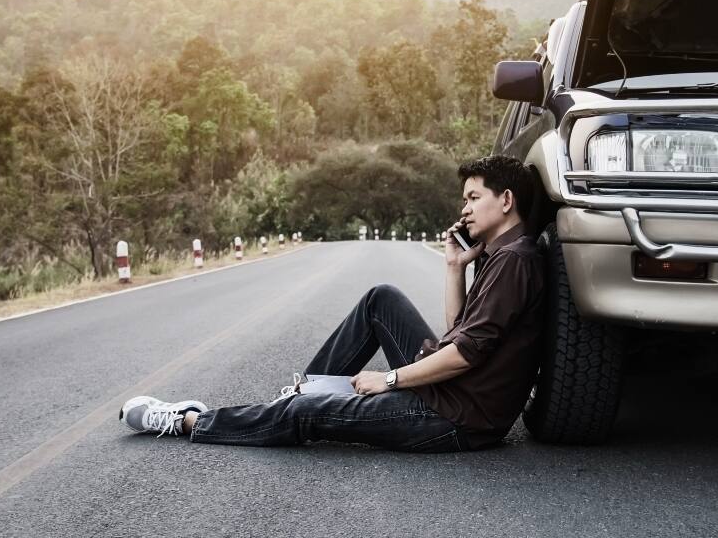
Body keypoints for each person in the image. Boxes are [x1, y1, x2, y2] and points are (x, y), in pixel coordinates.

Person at [118, 155, 544, 452]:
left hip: (455, 419)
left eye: (473, 198)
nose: (464, 208)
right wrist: (455, 268)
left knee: (306, 413)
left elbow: (463, 355)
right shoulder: (499, 255)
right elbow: (459, 333)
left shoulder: (514, 260)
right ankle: (301, 395)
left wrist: (390, 379)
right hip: (450, 394)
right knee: (382, 299)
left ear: (505, 200)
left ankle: (190, 420)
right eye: (464, 199)